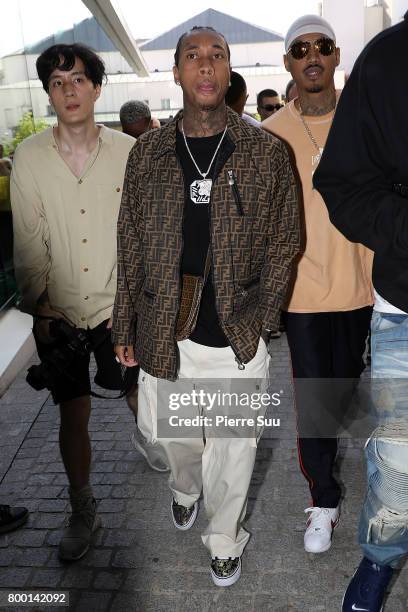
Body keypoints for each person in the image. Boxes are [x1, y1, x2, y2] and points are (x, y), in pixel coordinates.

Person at [112, 25, 300, 586]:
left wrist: (266, 317)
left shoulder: (265, 151)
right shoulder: (147, 153)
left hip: (238, 332)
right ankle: (183, 486)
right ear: (176, 72)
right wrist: (124, 322)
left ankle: (224, 538)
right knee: (176, 440)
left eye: (216, 55)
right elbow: (130, 240)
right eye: (192, 56)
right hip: (165, 326)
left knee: (234, 448)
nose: (205, 65)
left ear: (227, 70)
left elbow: (285, 238)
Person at [11, 43, 136, 562]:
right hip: (59, 312)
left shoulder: (130, 151)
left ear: (97, 87)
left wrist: (134, 304)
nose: (69, 90)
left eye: (78, 79)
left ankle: (182, 477)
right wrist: (41, 309)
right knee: (72, 412)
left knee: (142, 404)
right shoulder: (30, 157)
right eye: (58, 83)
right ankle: (82, 507)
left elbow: (140, 234)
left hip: (118, 309)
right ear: (48, 94)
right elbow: (27, 238)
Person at [262, 15, 373, 555]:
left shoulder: (364, 120)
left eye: (322, 46)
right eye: (300, 48)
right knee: (314, 400)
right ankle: (323, 499)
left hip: (363, 285)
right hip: (301, 294)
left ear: (335, 58)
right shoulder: (269, 135)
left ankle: (367, 467)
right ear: (288, 62)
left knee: (349, 390)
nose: (312, 55)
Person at [314, 12, 408, 612]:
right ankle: (380, 559)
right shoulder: (386, 60)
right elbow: (341, 183)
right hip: (406, 306)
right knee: (397, 460)